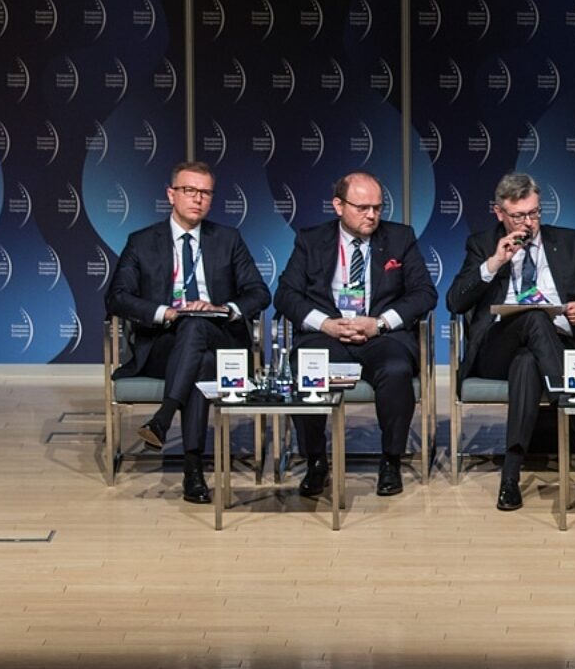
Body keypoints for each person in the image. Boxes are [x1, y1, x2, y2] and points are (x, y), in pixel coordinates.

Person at [446, 172, 575, 512]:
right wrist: (495, 262)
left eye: (535, 213)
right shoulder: (482, 244)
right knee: (534, 317)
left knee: (527, 363)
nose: (529, 223)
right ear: (499, 213)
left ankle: (510, 478)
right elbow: (455, 301)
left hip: (557, 347)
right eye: (519, 216)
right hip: (497, 348)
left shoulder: (569, 241)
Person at [104, 161, 271, 503]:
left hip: (221, 338)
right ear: (171, 194)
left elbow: (259, 293)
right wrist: (165, 312)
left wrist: (222, 308)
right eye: (189, 190)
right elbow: (117, 297)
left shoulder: (228, 239)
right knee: (201, 361)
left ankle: (164, 420)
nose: (197, 199)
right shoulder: (142, 242)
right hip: (164, 344)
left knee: (197, 327)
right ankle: (192, 470)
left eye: (205, 193)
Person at [274, 170, 436, 499]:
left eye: (377, 207)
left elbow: (424, 294)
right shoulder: (311, 240)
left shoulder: (400, 238)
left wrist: (380, 323)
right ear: (339, 205)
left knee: (396, 370)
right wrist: (325, 324)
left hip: (381, 337)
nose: (372, 215)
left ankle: (390, 460)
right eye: (362, 208)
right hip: (327, 336)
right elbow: (286, 295)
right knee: (305, 370)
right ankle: (316, 460)